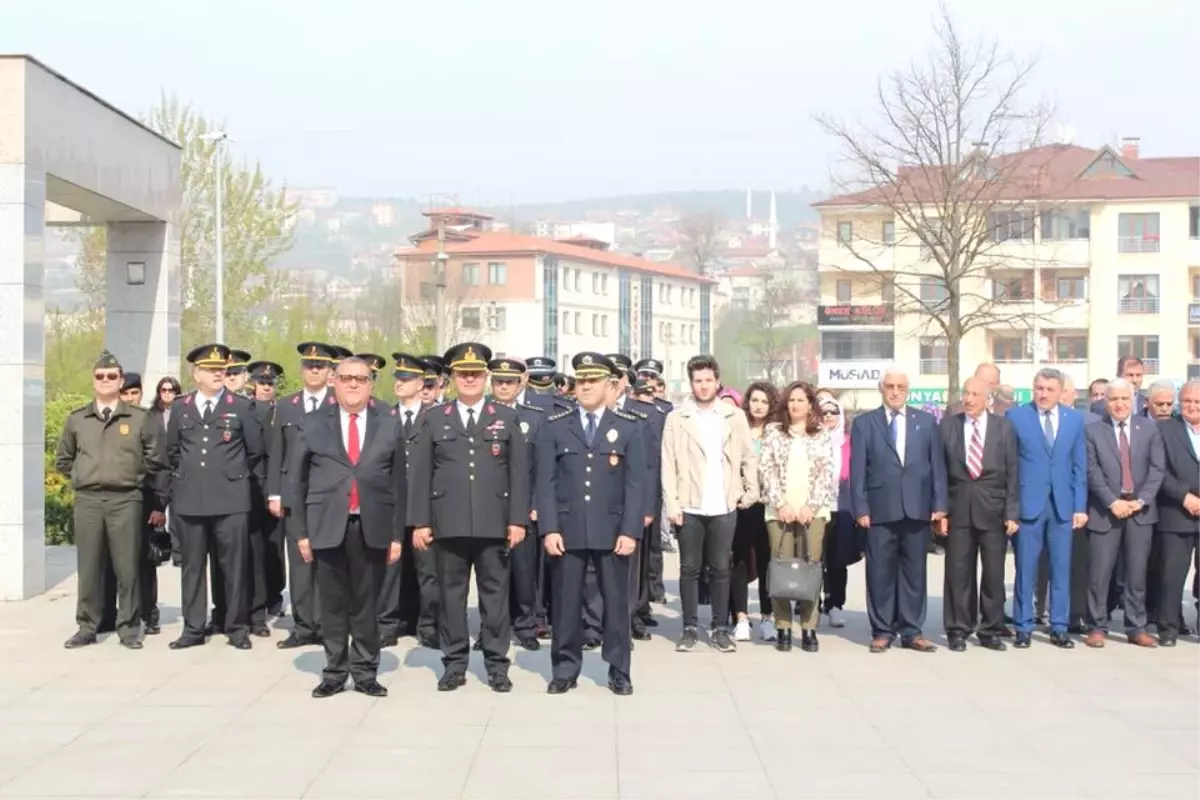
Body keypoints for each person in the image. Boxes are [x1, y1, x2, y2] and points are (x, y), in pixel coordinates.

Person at [409, 342, 530, 693]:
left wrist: (517, 520)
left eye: (476, 374)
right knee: (451, 598)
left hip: (494, 523)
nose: (470, 379)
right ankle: (454, 663)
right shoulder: (435, 418)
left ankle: (496, 664)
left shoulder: (506, 417)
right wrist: (421, 522)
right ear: (453, 378)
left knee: (495, 599)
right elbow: (420, 474)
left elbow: (519, 474)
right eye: (463, 374)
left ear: (486, 377)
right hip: (449, 524)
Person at [291, 357, 406, 698]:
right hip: (326, 525)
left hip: (372, 525)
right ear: (334, 382)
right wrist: (301, 532)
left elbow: (399, 483)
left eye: (360, 379)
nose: (353, 384)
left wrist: (397, 535)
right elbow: (295, 482)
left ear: (371, 384)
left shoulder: (388, 423)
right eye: (346, 378)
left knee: (367, 604)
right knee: (332, 604)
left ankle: (366, 671)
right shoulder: (312, 423)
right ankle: (334, 671)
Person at [535, 353, 644, 695]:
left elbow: (635, 485)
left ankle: (618, 669)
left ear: (609, 385)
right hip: (567, 531)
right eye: (581, 381)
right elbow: (546, 484)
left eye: (592, 381)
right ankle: (565, 668)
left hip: (612, 532)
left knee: (615, 604)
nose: (585, 387)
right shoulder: (555, 426)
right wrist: (549, 528)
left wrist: (630, 531)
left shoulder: (627, 427)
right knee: (566, 604)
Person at [56, 352, 165, 650]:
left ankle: (129, 628)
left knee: (127, 567)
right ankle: (87, 625)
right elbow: (64, 459)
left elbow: (156, 460)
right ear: (93, 381)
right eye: (100, 377)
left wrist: (131, 477)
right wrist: (84, 474)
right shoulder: (78, 419)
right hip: (88, 500)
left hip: (126, 500)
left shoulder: (139, 418)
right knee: (89, 567)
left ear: (120, 381)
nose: (106, 381)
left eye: (112, 376)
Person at [166, 344, 266, 650]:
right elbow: (172, 451)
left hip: (230, 499)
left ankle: (236, 627)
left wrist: (230, 476)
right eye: (210, 369)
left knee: (233, 566)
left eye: (221, 369)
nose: (218, 373)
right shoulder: (182, 407)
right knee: (192, 568)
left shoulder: (241, 406)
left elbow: (255, 452)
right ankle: (194, 627)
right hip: (190, 500)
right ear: (196, 374)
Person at [850, 367, 947, 653]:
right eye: (890, 386)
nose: (895, 391)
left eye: (901, 387)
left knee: (914, 571)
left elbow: (937, 467)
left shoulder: (926, 422)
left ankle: (912, 630)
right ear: (881, 389)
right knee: (879, 571)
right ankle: (882, 629)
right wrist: (860, 508)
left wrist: (940, 504)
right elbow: (858, 471)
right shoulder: (865, 423)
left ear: (908, 390)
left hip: (917, 509)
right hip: (879, 510)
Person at [1006, 367, 1088, 649]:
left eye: (1049, 389)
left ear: (1060, 391)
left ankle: (1059, 626)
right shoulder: (1016, 417)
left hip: (1062, 506)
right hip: (1029, 505)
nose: (1043, 394)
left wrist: (1080, 506)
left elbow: (1079, 467)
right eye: (1039, 388)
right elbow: (1010, 467)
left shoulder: (1074, 420)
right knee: (1025, 568)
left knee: (1061, 568)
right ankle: (1023, 626)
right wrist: (1011, 509)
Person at [937, 377, 1018, 652]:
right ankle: (958, 628)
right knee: (958, 572)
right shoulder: (948, 426)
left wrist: (1012, 513)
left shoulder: (1004, 428)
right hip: (958, 507)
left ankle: (991, 629)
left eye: (975, 394)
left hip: (993, 509)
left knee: (994, 573)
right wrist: (940, 511)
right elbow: (939, 471)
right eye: (966, 393)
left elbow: (1013, 473)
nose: (969, 399)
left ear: (988, 399)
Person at [1083, 379, 1164, 648]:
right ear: (1105, 402)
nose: (1119, 404)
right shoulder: (1094, 430)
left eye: (1125, 399)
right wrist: (1111, 501)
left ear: (1134, 401)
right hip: (1105, 511)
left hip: (1139, 511)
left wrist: (1141, 500)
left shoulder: (1149, 429)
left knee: (1136, 573)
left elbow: (1157, 469)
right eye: (1114, 399)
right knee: (1100, 572)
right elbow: (1091, 470)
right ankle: (1097, 625)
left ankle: (1136, 626)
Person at [268, 342, 339, 649]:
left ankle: (327, 625)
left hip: (328, 494)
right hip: (295, 493)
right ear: (302, 369)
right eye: (309, 365)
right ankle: (303, 625)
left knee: (326, 560)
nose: (314, 370)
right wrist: (274, 493)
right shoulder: (287, 405)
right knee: (299, 561)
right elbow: (276, 453)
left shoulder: (339, 403)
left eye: (320, 366)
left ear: (329, 371)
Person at [757, 381, 835, 652]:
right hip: (780, 512)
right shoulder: (774, 432)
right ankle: (783, 626)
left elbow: (827, 473)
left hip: (812, 513)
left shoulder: (821, 434)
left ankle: (809, 626)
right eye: (791, 400)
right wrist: (781, 504)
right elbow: (765, 470)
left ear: (810, 404)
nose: (795, 405)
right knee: (780, 567)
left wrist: (810, 507)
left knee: (810, 567)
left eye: (801, 400)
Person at [379, 352, 437, 648]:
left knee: (428, 571)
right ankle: (388, 624)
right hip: (392, 505)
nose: (399, 384)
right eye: (397, 378)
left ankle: (428, 626)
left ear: (420, 383)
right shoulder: (385, 417)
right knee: (390, 568)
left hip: (424, 504)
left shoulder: (434, 417)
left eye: (406, 379)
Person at [488, 357, 544, 651]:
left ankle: (525, 624)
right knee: (491, 573)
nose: (504, 386)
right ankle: (492, 628)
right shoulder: (482, 413)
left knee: (524, 571)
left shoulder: (534, 417)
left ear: (521, 382)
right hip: (488, 507)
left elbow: (541, 467)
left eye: (510, 381)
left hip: (523, 507)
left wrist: (535, 503)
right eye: (499, 381)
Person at [1153, 380, 1200, 646]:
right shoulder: (1164, 429)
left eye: (1198, 402)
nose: (1192, 406)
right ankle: (1168, 627)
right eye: (1188, 401)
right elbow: (1159, 471)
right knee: (1171, 575)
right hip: (1175, 513)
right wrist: (1184, 496)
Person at [246, 360, 286, 621]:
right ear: (253, 385)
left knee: (275, 546)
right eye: (261, 383)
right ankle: (256, 600)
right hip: (251, 486)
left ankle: (275, 595)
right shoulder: (245, 410)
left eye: (270, 384)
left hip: (276, 487)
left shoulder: (281, 411)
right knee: (254, 547)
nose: (266, 388)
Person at [819, 395, 859, 631]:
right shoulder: (812, 440)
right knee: (813, 560)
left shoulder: (848, 443)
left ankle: (835, 604)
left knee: (837, 561)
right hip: (816, 508)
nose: (829, 417)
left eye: (833, 413)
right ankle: (812, 603)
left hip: (842, 508)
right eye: (824, 413)